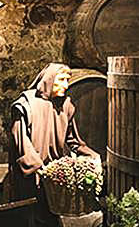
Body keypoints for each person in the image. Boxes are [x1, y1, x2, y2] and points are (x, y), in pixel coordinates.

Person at [8, 62, 100, 227]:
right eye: (61, 80)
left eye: (67, 80)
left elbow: (73, 140)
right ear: (49, 80)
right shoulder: (26, 104)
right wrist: (39, 168)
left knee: (51, 215)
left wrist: (92, 156)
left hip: (53, 173)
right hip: (31, 174)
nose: (66, 85)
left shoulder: (66, 105)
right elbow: (22, 143)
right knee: (30, 216)